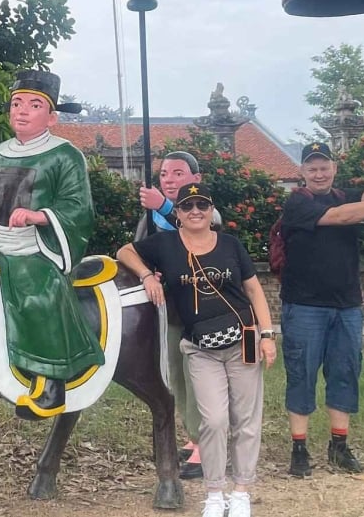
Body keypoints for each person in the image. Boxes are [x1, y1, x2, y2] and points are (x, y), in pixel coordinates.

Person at [118, 183, 277, 517]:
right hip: (199, 346)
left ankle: (242, 490)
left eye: (201, 205)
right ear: (177, 213)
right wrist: (147, 275)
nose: (195, 212)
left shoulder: (231, 245)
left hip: (241, 340)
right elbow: (124, 252)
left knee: (246, 420)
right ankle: (215, 491)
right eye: (188, 206)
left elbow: (253, 289)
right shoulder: (165, 244)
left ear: (211, 211)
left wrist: (267, 334)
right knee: (214, 420)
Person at [278, 142, 364, 477]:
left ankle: (339, 446)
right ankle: (299, 447)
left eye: (324, 167)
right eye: (312, 168)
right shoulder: (297, 203)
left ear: (334, 168)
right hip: (305, 305)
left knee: (345, 372)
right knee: (301, 375)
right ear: (302, 172)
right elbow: (342, 216)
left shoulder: (345, 194)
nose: (319, 173)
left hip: (347, 305)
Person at [0, 68, 104, 419]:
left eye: (34, 105)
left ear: (52, 117)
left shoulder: (66, 156)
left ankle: (51, 379)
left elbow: (79, 209)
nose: (21, 110)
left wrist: (39, 216)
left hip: (35, 247)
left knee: (39, 289)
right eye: (16, 103)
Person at [137, 151, 216, 479]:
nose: (169, 180)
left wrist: (166, 207)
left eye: (178, 173)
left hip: (200, 310)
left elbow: (205, 233)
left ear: (195, 179)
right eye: (165, 174)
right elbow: (140, 249)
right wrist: (146, 272)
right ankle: (192, 434)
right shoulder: (150, 215)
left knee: (199, 376)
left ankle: (206, 444)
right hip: (168, 310)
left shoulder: (202, 209)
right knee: (175, 376)